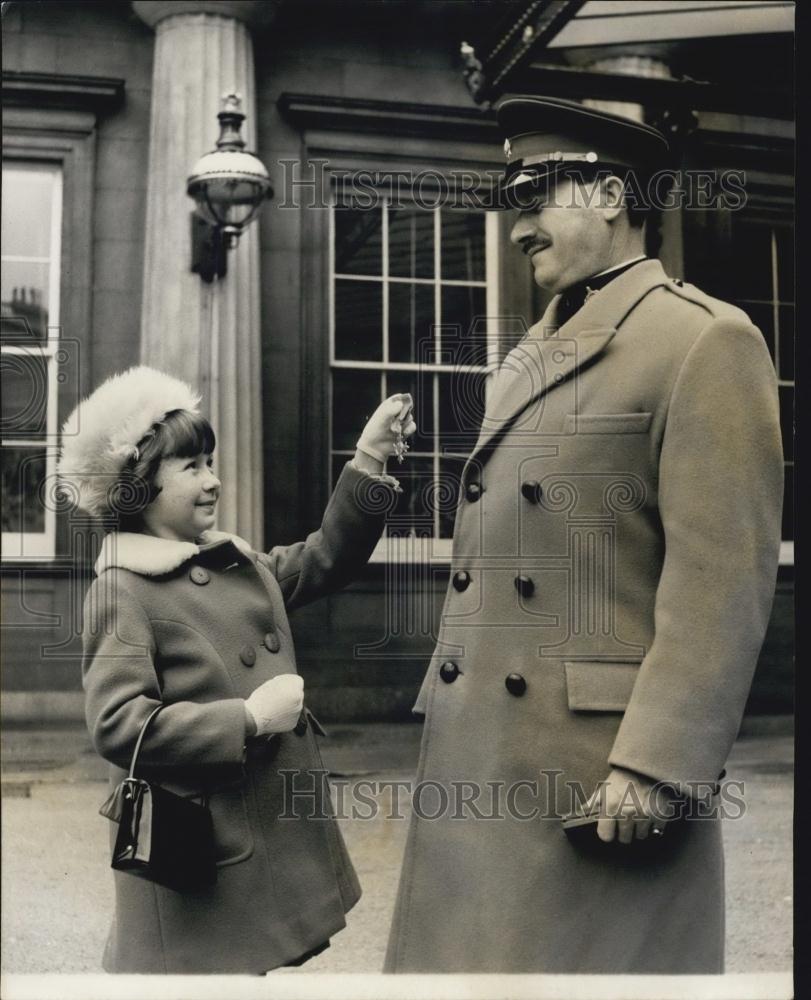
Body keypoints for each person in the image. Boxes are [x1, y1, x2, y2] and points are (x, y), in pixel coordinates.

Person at [384, 96, 783, 974]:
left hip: (596, 772)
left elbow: (721, 579)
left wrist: (656, 763)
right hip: (485, 752)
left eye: (535, 195)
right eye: (510, 202)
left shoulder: (703, 340)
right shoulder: (529, 353)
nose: (518, 224)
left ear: (609, 193)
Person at [59, 365, 415, 974]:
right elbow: (118, 725)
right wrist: (245, 719)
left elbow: (325, 557)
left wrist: (369, 459)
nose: (214, 481)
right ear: (137, 488)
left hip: (254, 825)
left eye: (210, 462)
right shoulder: (122, 591)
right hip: (199, 840)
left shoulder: (233, 563)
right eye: (192, 467)